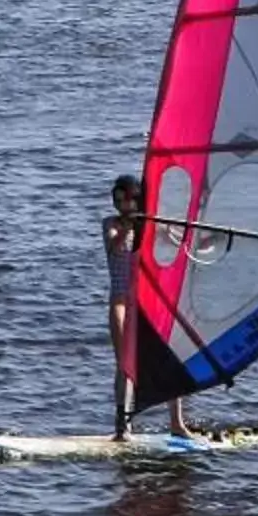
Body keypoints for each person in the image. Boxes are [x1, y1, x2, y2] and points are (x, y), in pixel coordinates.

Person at [105, 175, 191, 440]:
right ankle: (123, 428)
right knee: (124, 365)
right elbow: (113, 245)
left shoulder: (149, 223)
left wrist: (199, 238)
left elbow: (179, 240)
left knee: (168, 361)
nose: (122, 206)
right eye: (118, 201)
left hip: (148, 303)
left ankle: (177, 423)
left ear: (136, 198)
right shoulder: (111, 224)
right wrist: (128, 226)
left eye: (126, 200)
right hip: (121, 301)